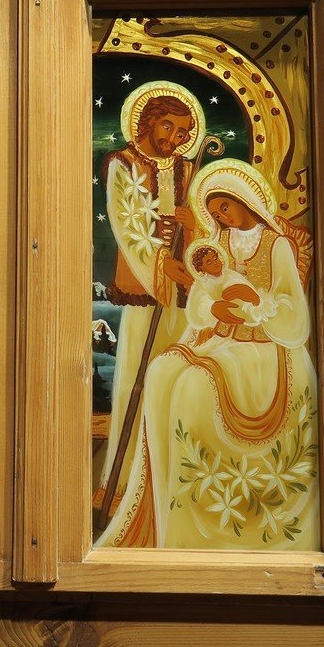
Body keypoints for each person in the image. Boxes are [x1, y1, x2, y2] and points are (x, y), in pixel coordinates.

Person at [97, 160, 318, 550]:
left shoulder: (277, 245)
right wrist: (212, 308)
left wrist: (254, 307)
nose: (222, 218)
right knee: (161, 371)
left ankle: (206, 516)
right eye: (215, 215)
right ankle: (170, 511)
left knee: (194, 386)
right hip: (220, 338)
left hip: (266, 346)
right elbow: (202, 293)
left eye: (225, 208)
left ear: (243, 199)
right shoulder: (219, 245)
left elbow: (293, 311)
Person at [94, 84, 205, 515]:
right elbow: (127, 225)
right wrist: (161, 264)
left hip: (187, 290)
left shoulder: (188, 169)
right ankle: (123, 483)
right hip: (145, 287)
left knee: (181, 379)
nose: (175, 138)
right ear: (147, 122)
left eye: (183, 132)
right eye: (168, 127)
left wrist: (194, 226)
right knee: (134, 381)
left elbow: (207, 222)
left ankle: (172, 479)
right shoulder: (122, 164)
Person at [181, 244, 270, 348]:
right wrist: (212, 307)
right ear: (201, 269)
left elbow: (253, 299)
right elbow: (198, 304)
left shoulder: (231, 275)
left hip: (244, 324)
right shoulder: (202, 284)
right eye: (208, 262)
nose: (215, 263)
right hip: (219, 330)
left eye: (215, 258)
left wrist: (254, 298)